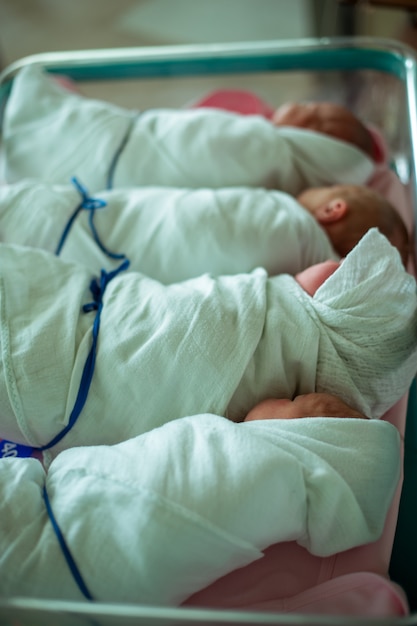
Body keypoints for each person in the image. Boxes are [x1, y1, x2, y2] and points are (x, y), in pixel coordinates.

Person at [0, 228, 415, 468]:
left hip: (70, 369)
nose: (330, 261)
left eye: (340, 272)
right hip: (105, 308)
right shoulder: (283, 318)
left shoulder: (307, 363)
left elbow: (264, 429)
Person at [0, 389, 400, 605]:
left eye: (294, 404)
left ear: (308, 438)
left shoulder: (264, 466)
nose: (285, 395)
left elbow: (196, 455)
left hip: (89, 543)